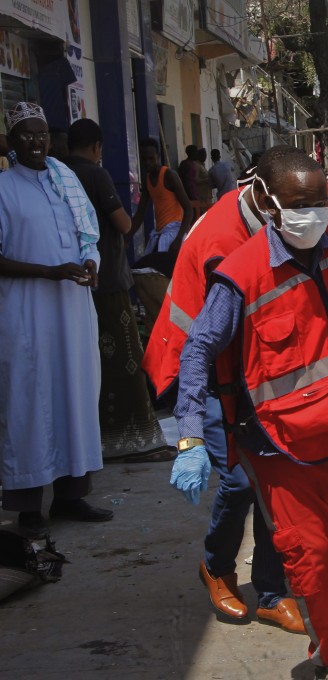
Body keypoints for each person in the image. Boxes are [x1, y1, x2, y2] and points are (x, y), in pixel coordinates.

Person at [172, 152, 328, 680]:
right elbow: (196, 351)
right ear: (267, 202)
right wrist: (190, 436)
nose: (313, 215)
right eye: (299, 205)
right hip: (283, 448)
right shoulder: (240, 275)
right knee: (309, 566)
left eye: (320, 204)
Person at [144, 146, 308, 636]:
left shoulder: (279, 217)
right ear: (261, 193)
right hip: (206, 369)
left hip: (252, 369)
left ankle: (272, 590)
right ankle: (216, 566)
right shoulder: (225, 243)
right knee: (240, 482)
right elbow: (209, 346)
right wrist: (190, 434)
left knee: (271, 481)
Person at [0, 102, 112, 538]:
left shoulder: (65, 183)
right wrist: (48, 271)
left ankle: (72, 495)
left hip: (72, 307)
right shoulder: (5, 188)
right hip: (26, 311)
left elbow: (88, 236)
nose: (36, 142)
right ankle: (28, 507)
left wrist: (90, 261)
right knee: (29, 400)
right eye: (26, 135)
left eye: (42, 134)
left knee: (75, 395)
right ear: (11, 142)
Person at [65, 119, 169, 461]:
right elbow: (123, 223)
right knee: (124, 358)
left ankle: (95, 437)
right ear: (97, 146)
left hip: (73, 283)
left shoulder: (59, 175)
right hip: (107, 277)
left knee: (89, 360)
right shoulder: (95, 175)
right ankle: (132, 439)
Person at [131, 137, 194, 255]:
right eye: (144, 159)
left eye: (151, 158)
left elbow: (189, 210)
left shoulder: (169, 175)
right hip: (160, 232)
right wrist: (127, 237)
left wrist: (178, 239)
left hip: (175, 231)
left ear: (158, 156)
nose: (147, 162)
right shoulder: (147, 179)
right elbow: (140, 213)